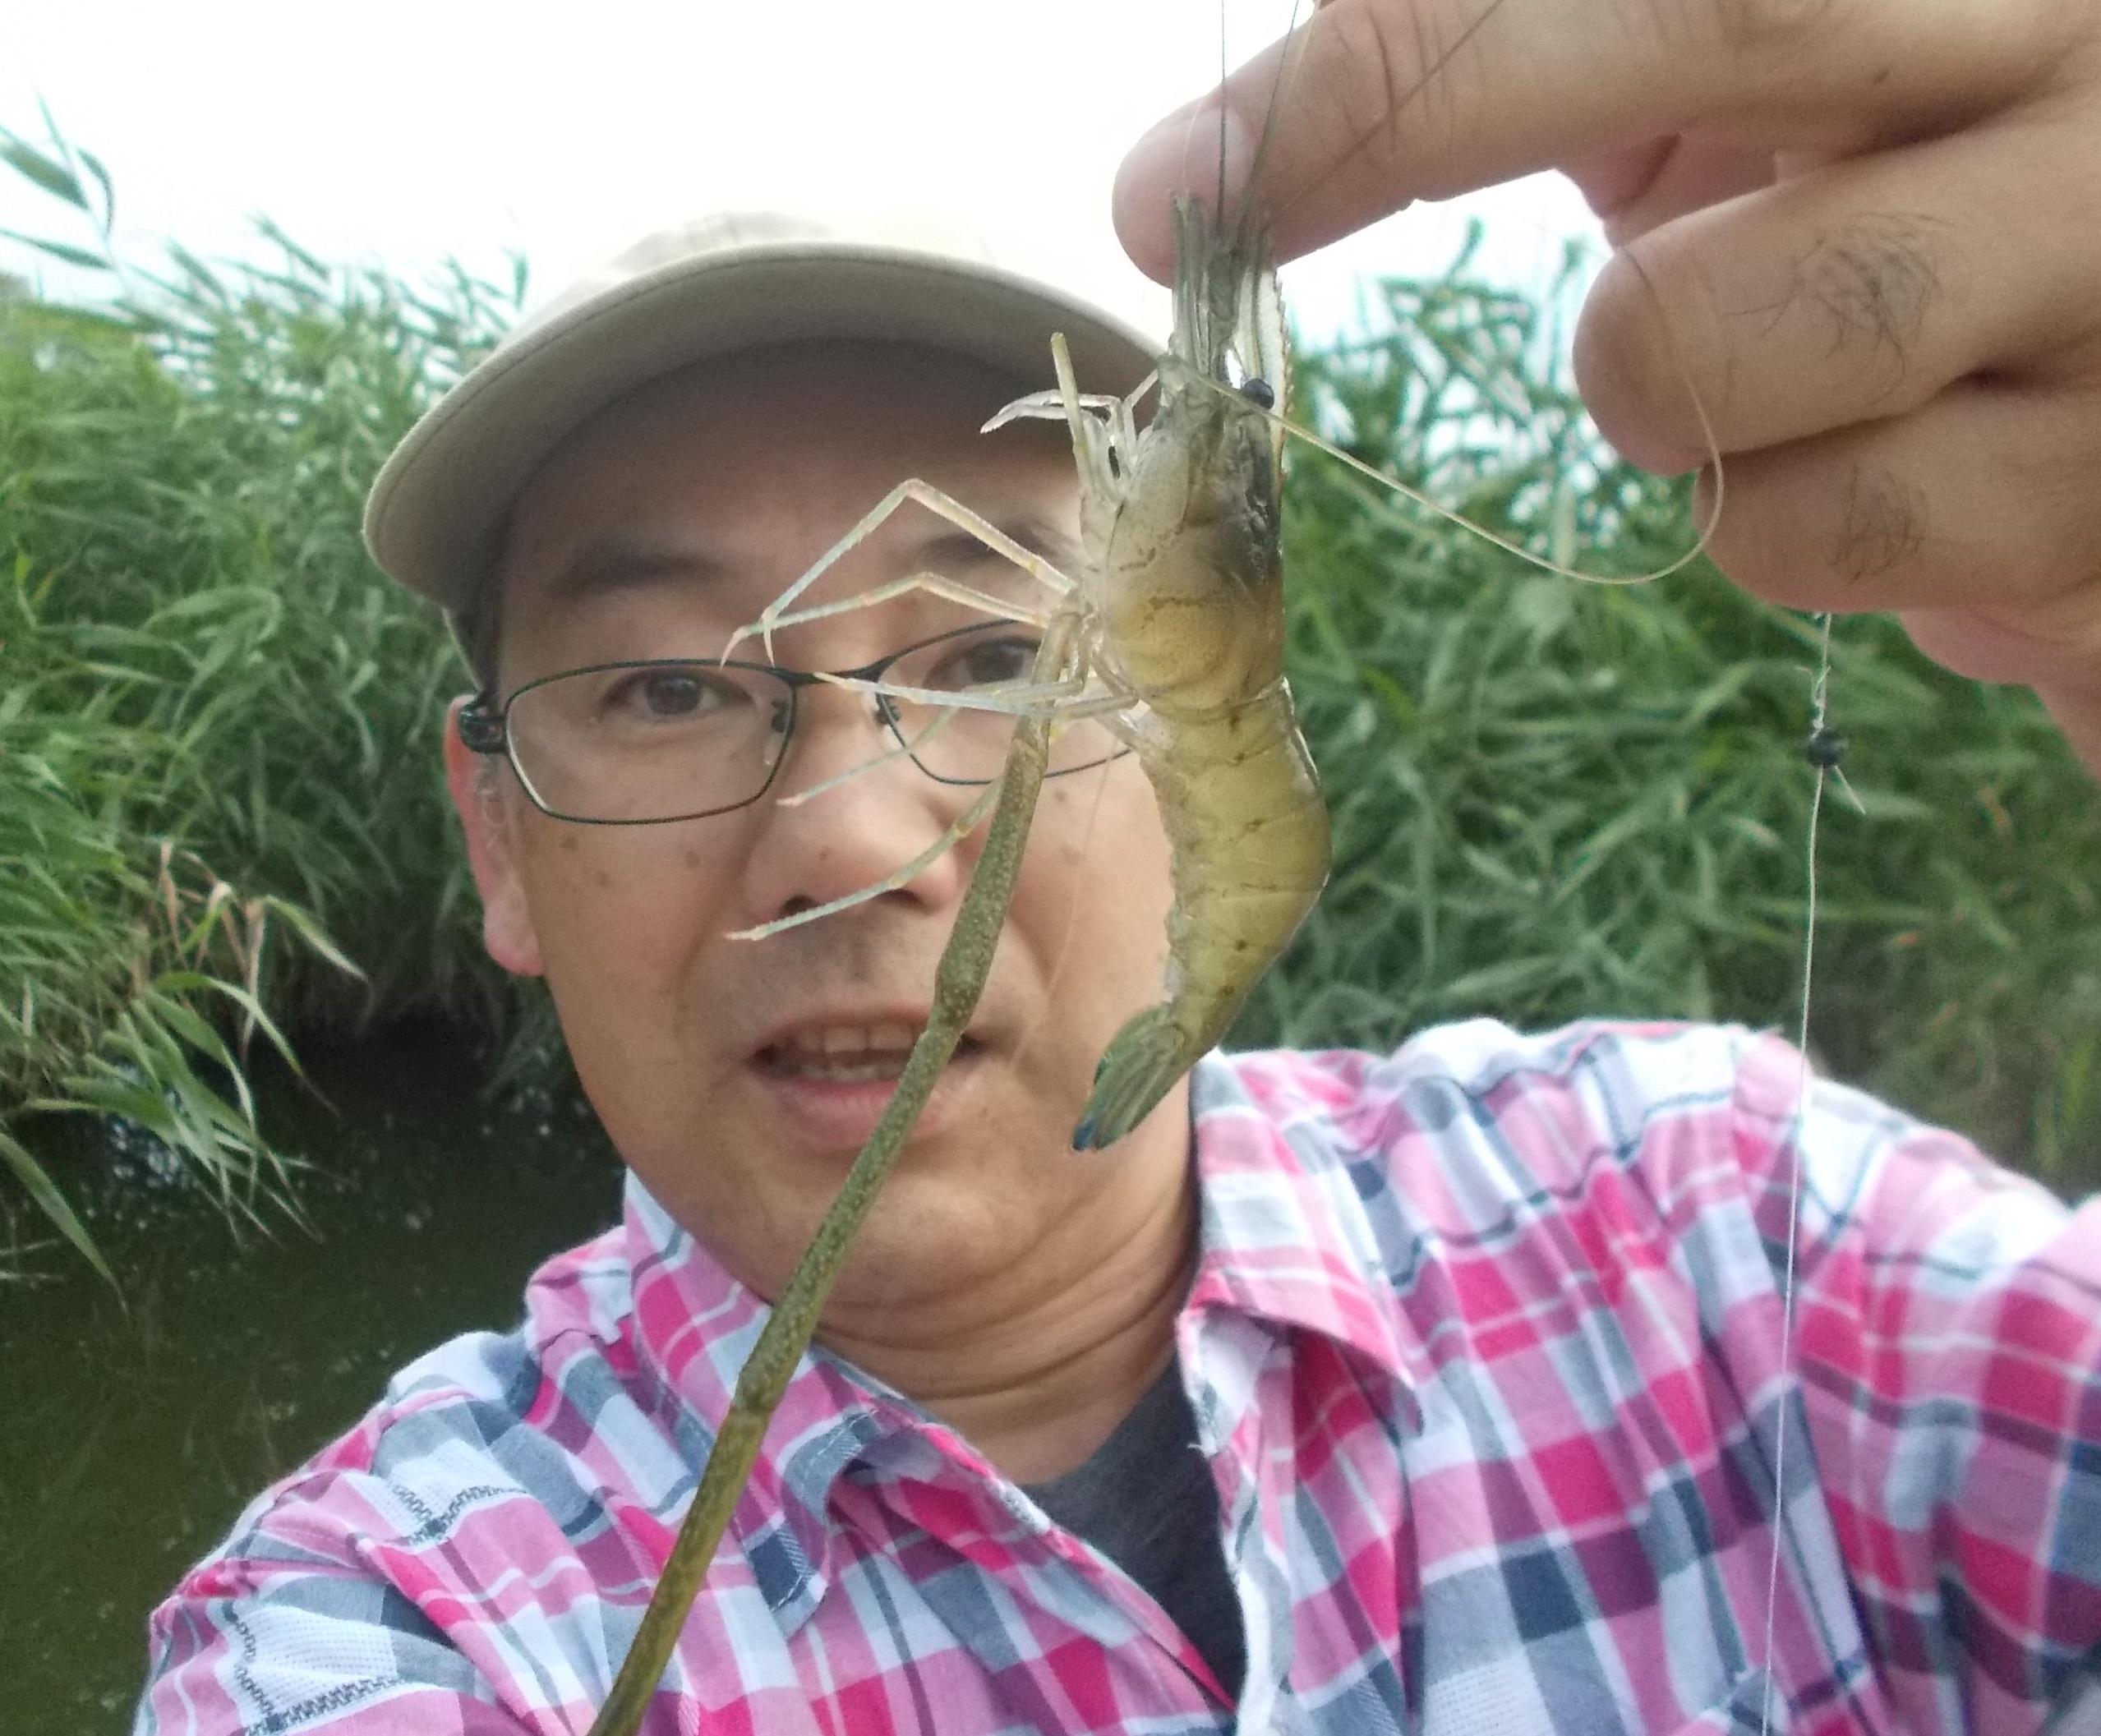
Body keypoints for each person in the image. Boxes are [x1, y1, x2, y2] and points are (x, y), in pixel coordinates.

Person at [136, 0, 2101, 1730]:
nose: (843, 833)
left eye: (992, 652)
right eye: (660, 686)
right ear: (496, 833)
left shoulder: (1718, 1223)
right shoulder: (379, 1629)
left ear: (1184, 761)